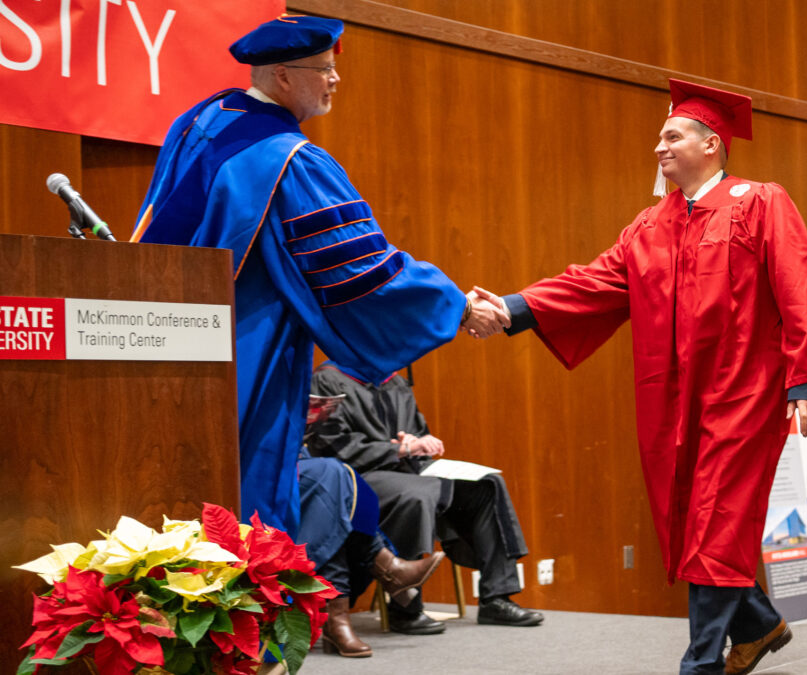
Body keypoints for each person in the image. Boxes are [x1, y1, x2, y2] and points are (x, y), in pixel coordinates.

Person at [481, 79, 807, 674]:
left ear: (711, 143)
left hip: (743, 395)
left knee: (715, 520)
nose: (658, 147)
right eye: (660, 137)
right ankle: (760, 626)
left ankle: (701, 663)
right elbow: (594, 283)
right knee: (689, 523)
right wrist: (512, 308)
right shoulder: (648, 227)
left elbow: (800, 283)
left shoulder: (760, 202)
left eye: (671, 135)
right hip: (669, 402)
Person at [130, 15, 509, 535]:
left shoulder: (200, 121)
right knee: (245, 487)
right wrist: (457, 306)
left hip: (174, 330)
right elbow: (362, 268)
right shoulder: (291, 160)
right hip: (252, 340)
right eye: (325, 69)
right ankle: (250, 605)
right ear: (283, 76)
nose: (335, 80)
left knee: (178, 475)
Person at [307, 360, 544, 633]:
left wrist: (416, 440)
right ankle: (405, 608)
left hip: (408, 470)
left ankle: (496, 598)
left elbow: (417, 433)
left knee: (486, 484)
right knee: (416, 495)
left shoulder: (393, 379)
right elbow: (331, 446)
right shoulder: (327, 379)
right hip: (358, 478)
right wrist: (395, 450)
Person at [295, 453, 444, 657]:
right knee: (333, 477)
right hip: (259, 466)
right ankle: (388, 570)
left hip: (298, 460)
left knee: (338, 480)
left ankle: (338, 617)